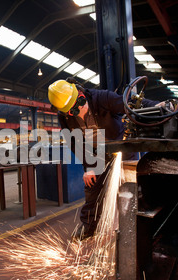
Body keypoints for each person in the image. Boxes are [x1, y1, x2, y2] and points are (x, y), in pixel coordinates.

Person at [48, 78, 165, 240]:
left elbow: (131, 103)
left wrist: (157, 106)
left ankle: (140, 224)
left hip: (121, 146)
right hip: (95, 153)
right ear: (65, 111)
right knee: (92, 189)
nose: (81, 108)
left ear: (80, 92)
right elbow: (74, 142)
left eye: (80, 101)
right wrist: (87, 167)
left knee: (132, 187)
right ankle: (89, 227)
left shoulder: (101, 98)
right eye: (74, 110)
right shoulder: (64, 118)